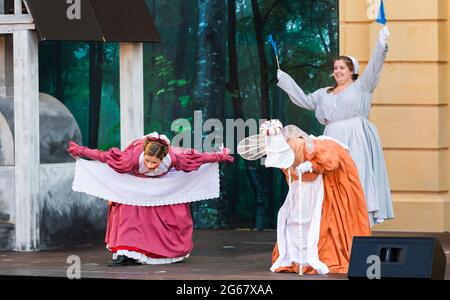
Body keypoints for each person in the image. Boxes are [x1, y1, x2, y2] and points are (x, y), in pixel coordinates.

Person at [276, 25, 393, 226]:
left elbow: (375, 67)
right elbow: (304, 100)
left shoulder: (362, 87)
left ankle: (358, 219)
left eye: (342, 68)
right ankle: (337, 220)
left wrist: (381, 44)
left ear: (352, 72)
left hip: (355, 136)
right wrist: (285, 81)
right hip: (332, 137)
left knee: (356, 174)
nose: (337, 71)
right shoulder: (324, 93)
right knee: (332, 176)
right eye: (335, 68)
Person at [67, 132, 234, 266]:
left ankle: (160, 252)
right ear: (144, 155)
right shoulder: (131, 158)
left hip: (160, 185)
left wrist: (220, 156)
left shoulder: (174, 157)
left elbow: (200, 158)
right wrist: (81, 151)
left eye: (154, 162)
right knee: (128, 211)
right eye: (147, 160)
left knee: (168, 211)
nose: (150, 165)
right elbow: (103, 156)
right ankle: (126, 254)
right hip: (132, 181)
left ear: (162, 158)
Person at [242, 120, 370, 274]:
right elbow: (290, 172)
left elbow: (330, 159)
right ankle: (296, 257)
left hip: (326, 183)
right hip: (303, 186)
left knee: (321, 218)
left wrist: (312, 165)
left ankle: (320, 256)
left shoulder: (304, 145)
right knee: (291, 217)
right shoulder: (281, 150)